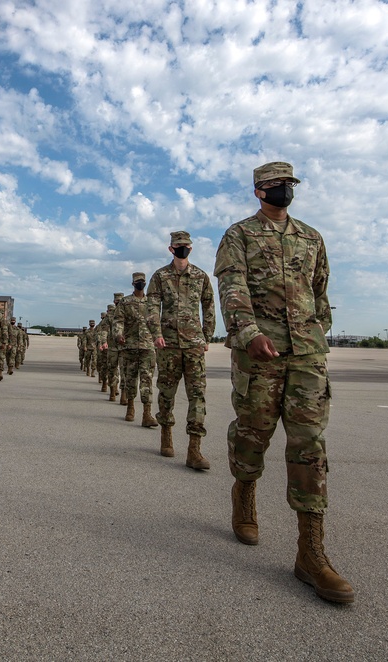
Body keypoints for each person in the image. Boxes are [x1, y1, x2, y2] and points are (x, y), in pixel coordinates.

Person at [214, 161, 353, 603]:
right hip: (259, 354)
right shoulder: (239, 234)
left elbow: (320, 290)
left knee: (309, 445)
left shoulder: (311, 237)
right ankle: (245, 493)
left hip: (307, 355)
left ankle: (310, 553)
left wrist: (314, 333)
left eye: (289, 184)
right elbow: (232, 286)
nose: (284, 191)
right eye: (276, 185)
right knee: (254, 435)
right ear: (259, 191)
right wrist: (249, 333)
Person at [147, 230, 215, 470]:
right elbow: (152, 306)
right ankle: (166, 433)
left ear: (191, 248)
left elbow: (208, 305)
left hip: (194, 343)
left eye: (185, 245)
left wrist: (207, 335)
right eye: (178, 246)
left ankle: (194, 449)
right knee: (167, 392)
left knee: (197, 395)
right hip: (168, 344)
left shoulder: (200, 276)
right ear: (171, 249)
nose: (182, 249)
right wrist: (156, 334)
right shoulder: (160, 276)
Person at [113, 273, 157, 426]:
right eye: (138, 282)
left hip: (148, 346)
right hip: (130, 346)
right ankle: (130, 407)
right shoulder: (125, 302)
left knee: (147, 380)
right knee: (131, 379)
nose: (140, 284)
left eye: (142, 282)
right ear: (133, 283)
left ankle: (147, 414)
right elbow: (118, 320)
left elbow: (157, 322)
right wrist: (118, 334)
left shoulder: (151, 302)